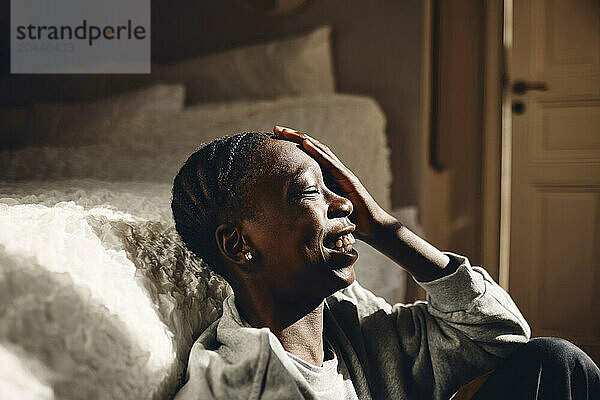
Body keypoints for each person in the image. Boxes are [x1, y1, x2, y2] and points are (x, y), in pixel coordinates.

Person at [171, 126, 599, 399]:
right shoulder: (240, 384)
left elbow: (499, 334)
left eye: (333, 188)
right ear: (239, 244)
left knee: (556, 361)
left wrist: (384, 229)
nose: (345, 204)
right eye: (309, 192)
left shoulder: (353, 320)